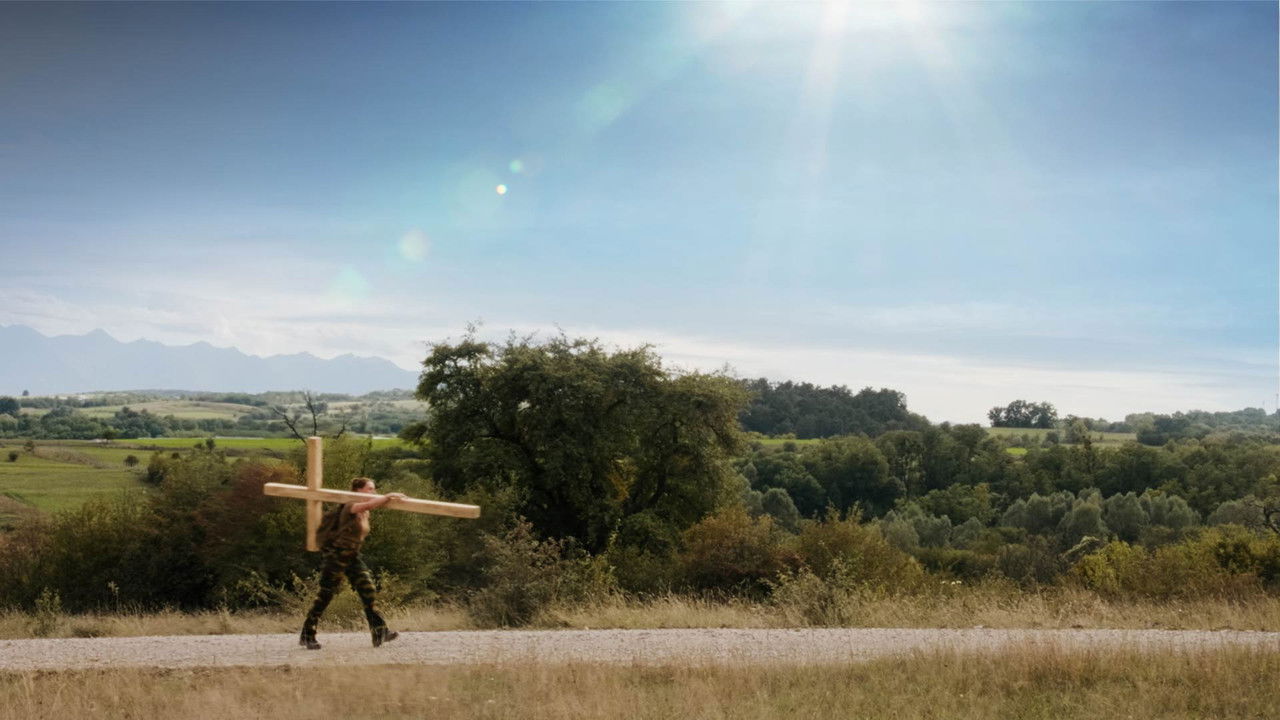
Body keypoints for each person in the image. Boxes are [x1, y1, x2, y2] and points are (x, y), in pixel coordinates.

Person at [299, 477, 406, 650]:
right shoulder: (350, 505)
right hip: (336, 556)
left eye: (374, 489)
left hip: (352, 557)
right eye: (370, 489)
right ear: (358, 490)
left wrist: (386, 499)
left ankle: (379, 632)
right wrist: (388, 496)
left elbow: (369, 507)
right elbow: (367, 505)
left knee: (368, 590)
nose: (373, 492)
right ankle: (307, 635)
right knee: (325, 595)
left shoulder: (366, 512)